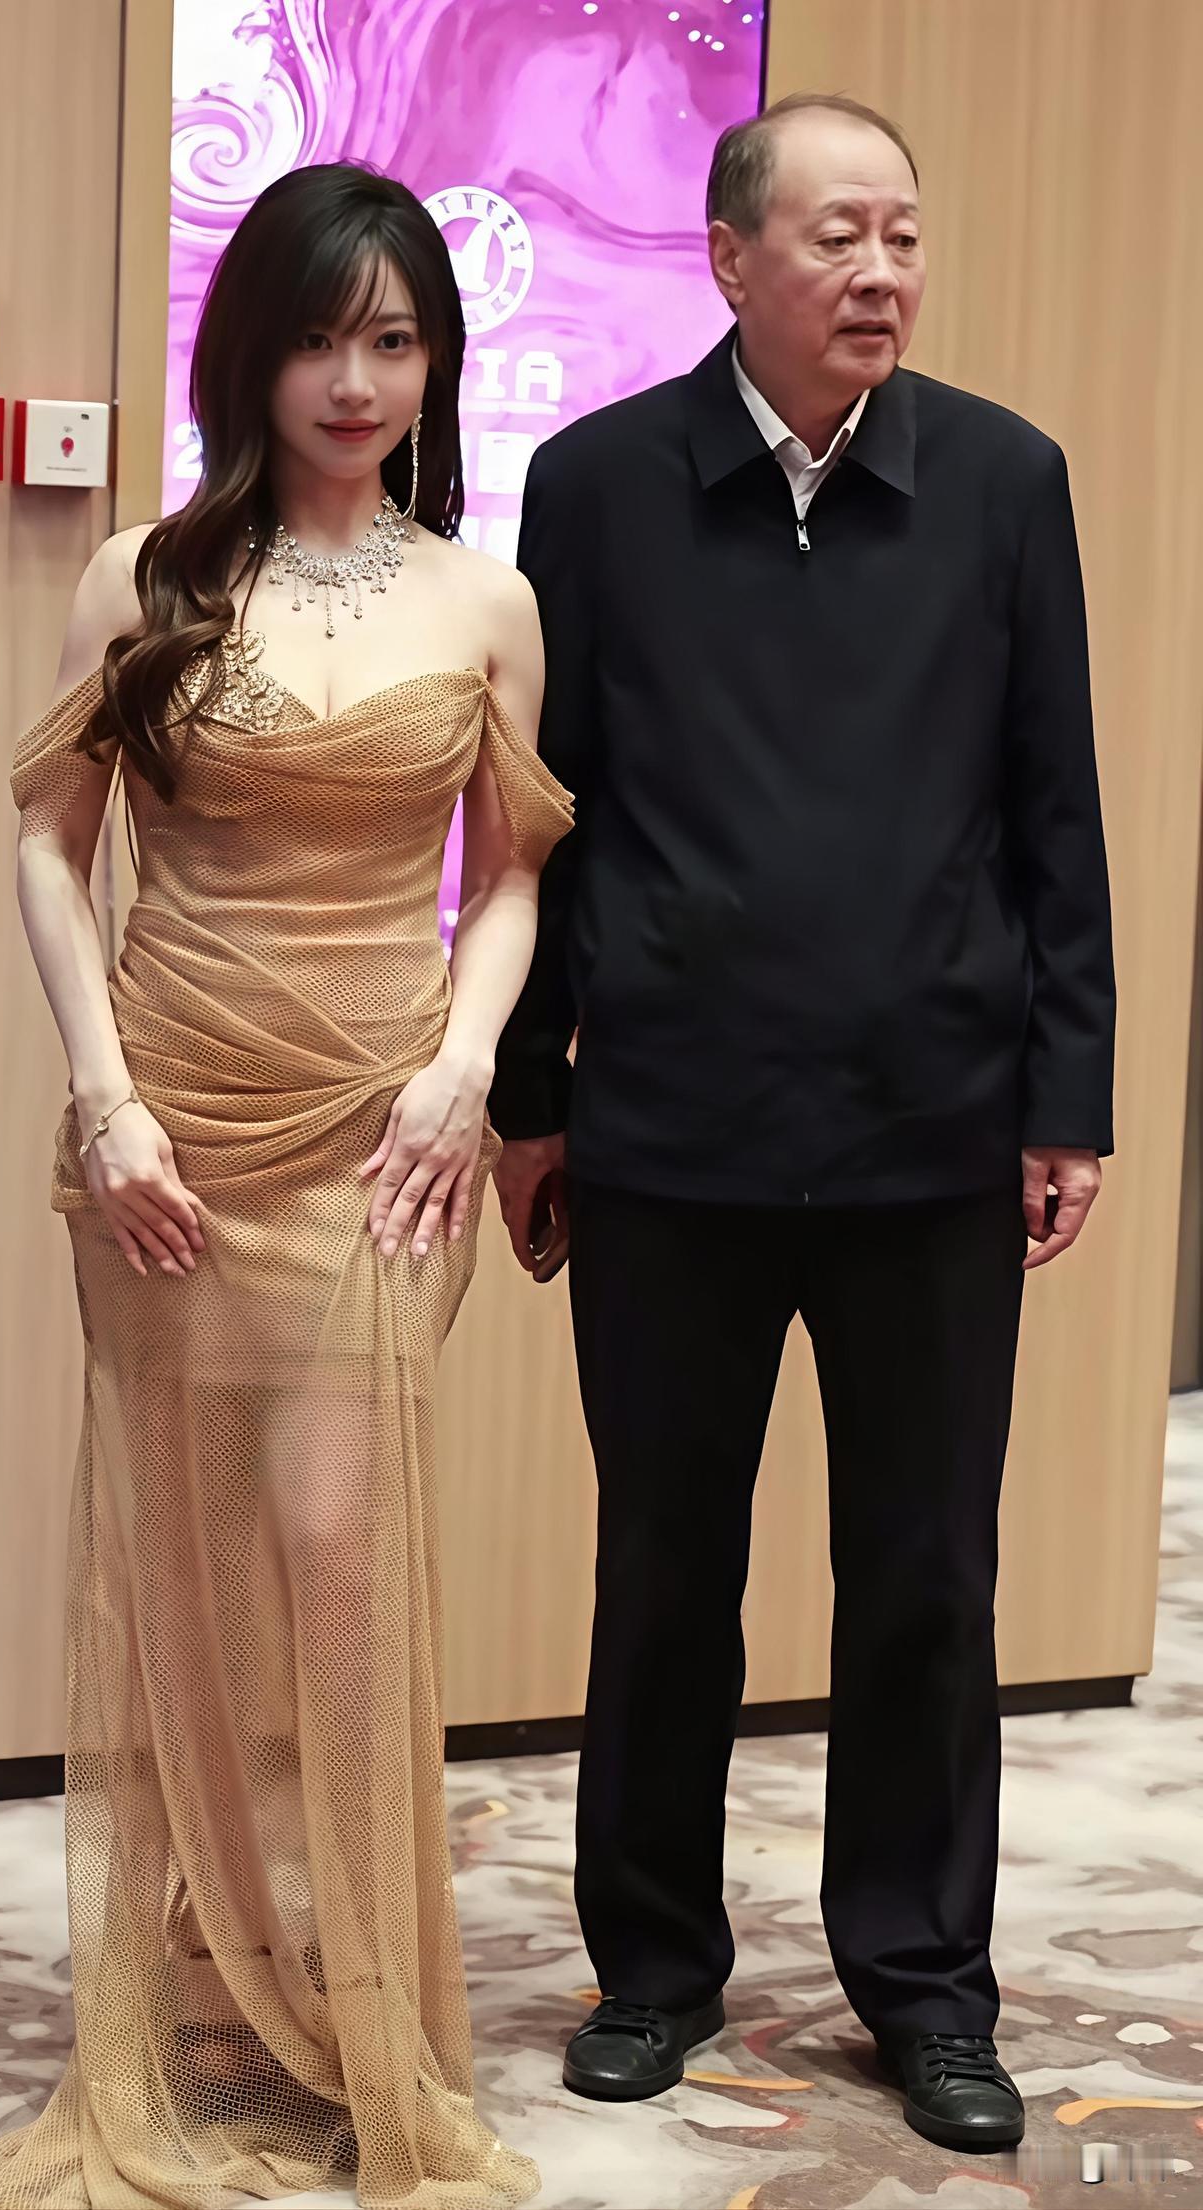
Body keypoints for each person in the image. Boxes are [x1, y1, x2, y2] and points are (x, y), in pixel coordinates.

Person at [489, 93, 1115, 2156]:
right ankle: (652, 1968)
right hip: (671, 1128)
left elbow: (1055, 810)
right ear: (729, 257)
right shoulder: (596, 486)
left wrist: (1068, 1093)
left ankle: (925, 1984)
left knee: (924, 1579)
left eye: (903, 236)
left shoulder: (1004, 481)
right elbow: (545, 818)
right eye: (837, 235)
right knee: (664, 1567)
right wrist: (529, 1094)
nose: (878, 271)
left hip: (931, 1129)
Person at [0, 161, 571, 2210]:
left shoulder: (483, 602)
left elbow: (511, 878)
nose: (355, 380)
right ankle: (203, 1985)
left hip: (381, 1133)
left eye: (392, 340)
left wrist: (466, 1070)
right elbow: (49, 844)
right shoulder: (143, 575)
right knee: (182, 1565)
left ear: (436, 360)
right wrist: (104, 1098)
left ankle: (363, 2003)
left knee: (336, 1549)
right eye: (319, 338)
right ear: (253, 352)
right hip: (170, 1129)